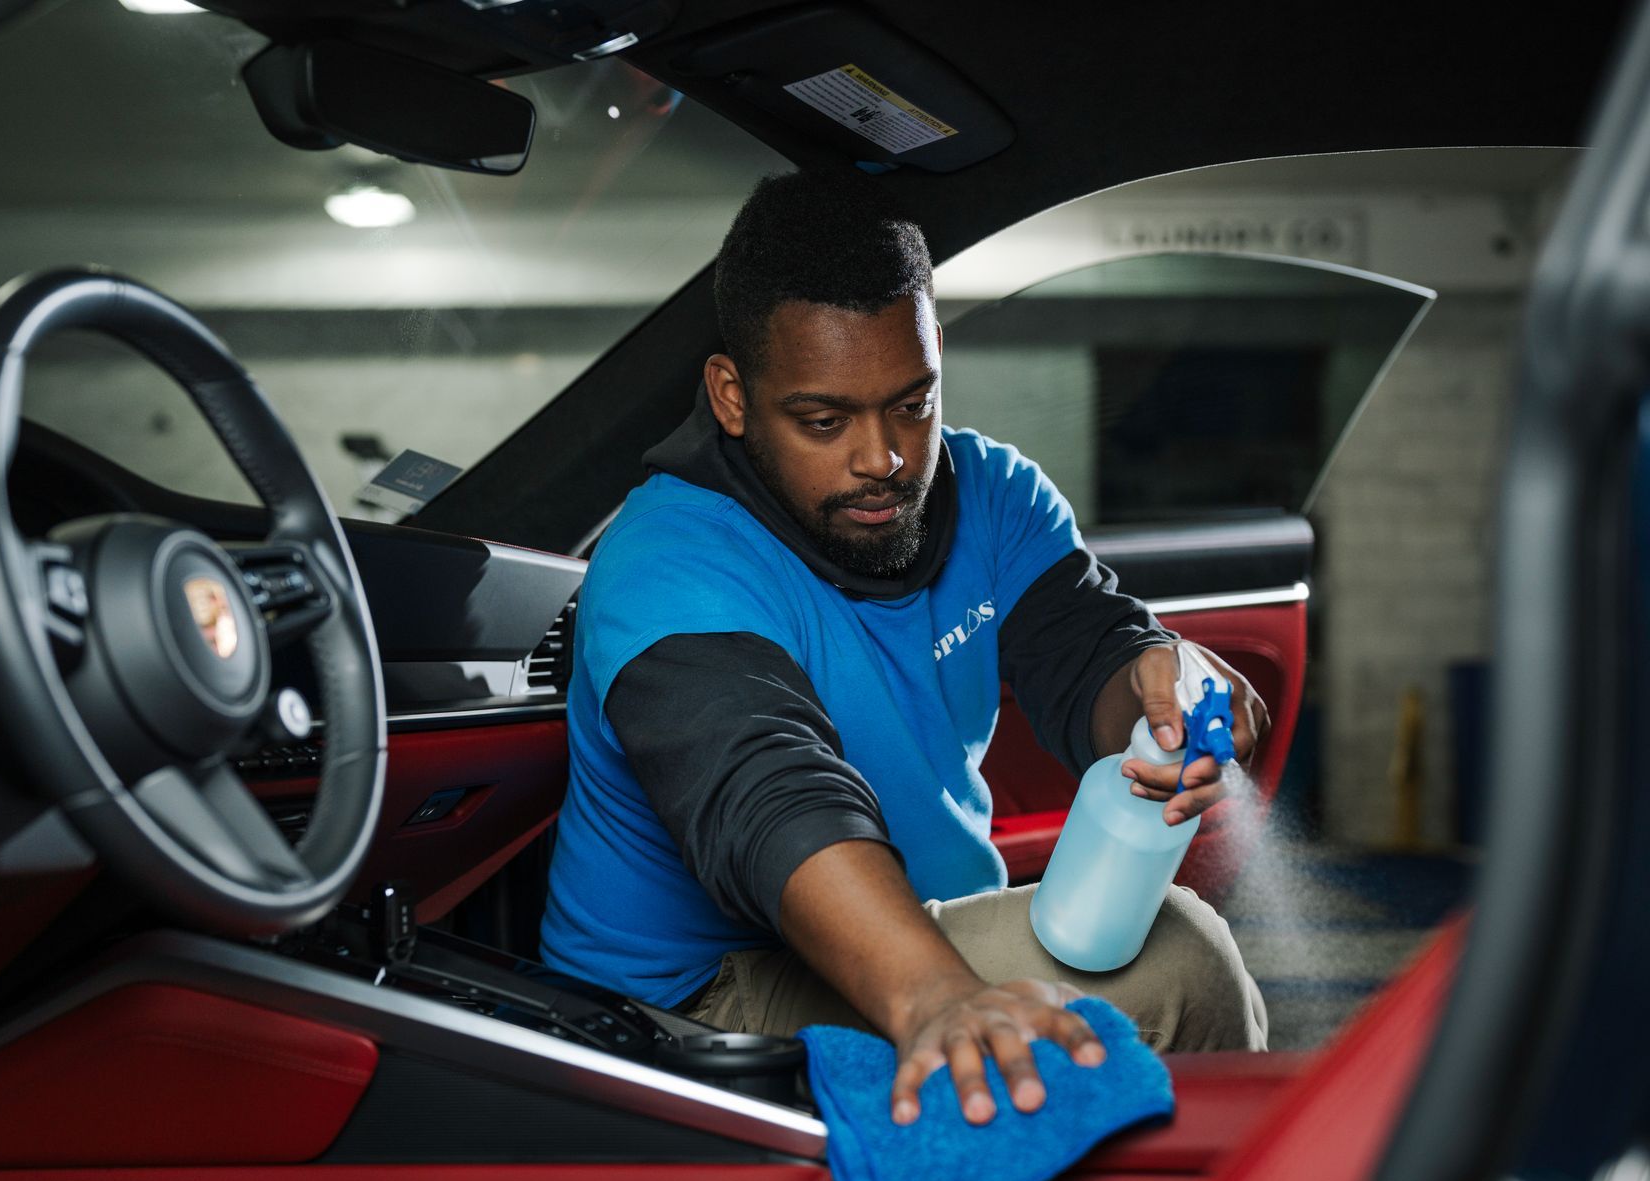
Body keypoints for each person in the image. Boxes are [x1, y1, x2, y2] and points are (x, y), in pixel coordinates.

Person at [541, 169, 1270, 1128]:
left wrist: (1159, 692)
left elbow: (1091, 657)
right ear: (731, 396)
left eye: (912, 404)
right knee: (1184, 963)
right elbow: (770, 797)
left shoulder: (995, 494)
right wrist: (934, 996)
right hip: (689, 1005)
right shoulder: (670, 558)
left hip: (928, 927)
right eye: (824, 421)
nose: (882, 457)